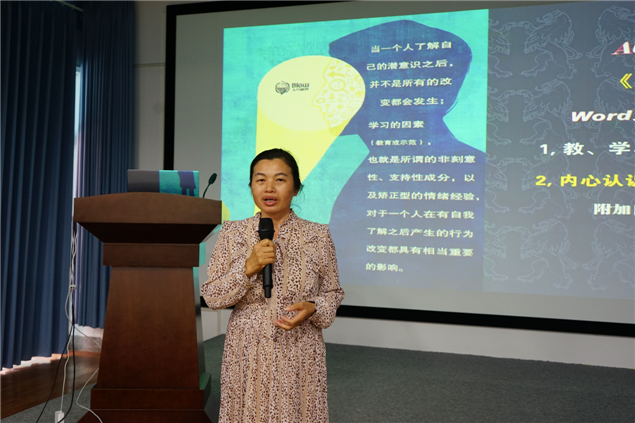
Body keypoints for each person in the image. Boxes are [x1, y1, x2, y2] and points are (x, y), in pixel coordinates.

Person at [201, 148, 345, 423]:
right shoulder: (232, 233)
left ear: (296, 188)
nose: (269, 188)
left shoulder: (318, 235)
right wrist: (248, 267)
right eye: (260, 180)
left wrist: (313, 307)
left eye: (279, 179)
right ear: (251, 186)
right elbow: (212, 296)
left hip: (299, 344)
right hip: (247, 346)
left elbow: (332, 292)